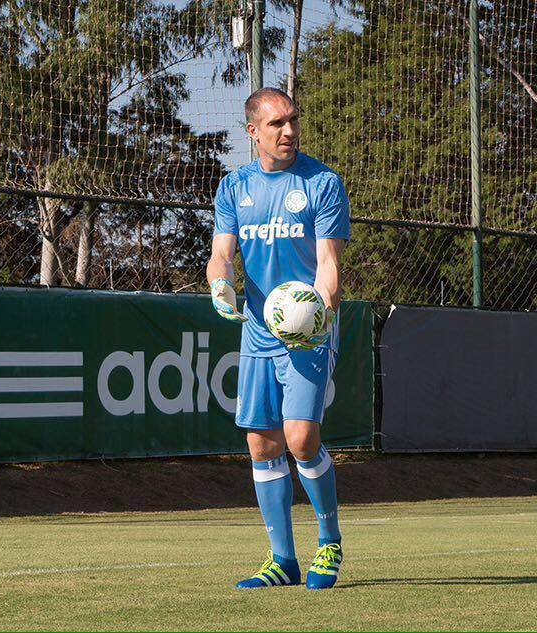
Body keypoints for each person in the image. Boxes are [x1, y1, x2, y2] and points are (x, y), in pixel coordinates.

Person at [206, 87, 350, 591]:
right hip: (258, 333)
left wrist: (322, 314)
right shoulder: (233, 187)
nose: (289, 131)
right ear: (253, 132)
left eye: (293, 120)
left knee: (300, 438)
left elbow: (329, 264)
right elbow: (222, 253)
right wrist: (220, 284)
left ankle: (329, 539)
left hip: (310, 330)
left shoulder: (322, 183)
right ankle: (282, 560)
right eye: (276, 124)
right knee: (260, 443)